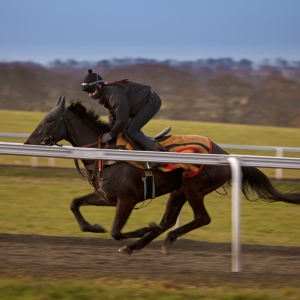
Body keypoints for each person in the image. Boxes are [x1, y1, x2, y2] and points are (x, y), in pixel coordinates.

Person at [81, 69, 162, 167]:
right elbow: (113, 115)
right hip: (143, 104)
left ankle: (157, 157)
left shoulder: (112, 94)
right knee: (126, 130)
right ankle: (146, 146)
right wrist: (108, 130)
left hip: (151, 102)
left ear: (99, 85)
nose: (90, 95)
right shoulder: (106, 93)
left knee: (132, 130)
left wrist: (112, 134)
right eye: (87, 92)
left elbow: (122, 120)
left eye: (91, 90)